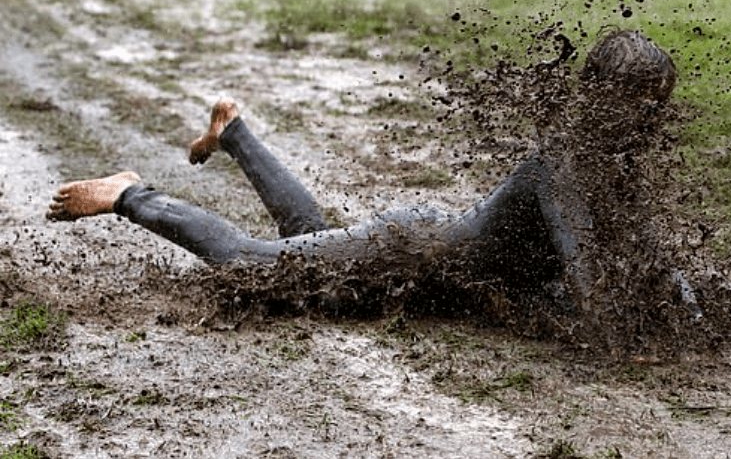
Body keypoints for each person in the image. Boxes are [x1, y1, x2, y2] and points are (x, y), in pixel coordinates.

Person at [46, 30, 694, 320]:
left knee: (309, 237)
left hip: (432, 253)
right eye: (638, 109)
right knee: (251, 263)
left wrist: (686, 307)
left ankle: (233, 130)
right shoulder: (565, 165)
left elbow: (647, 254)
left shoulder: (611, 163)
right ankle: (127, 193)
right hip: (412, 253)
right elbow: (591, 280)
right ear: (599, 101)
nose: (648, 125)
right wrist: (643, 332)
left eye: (655, 111)